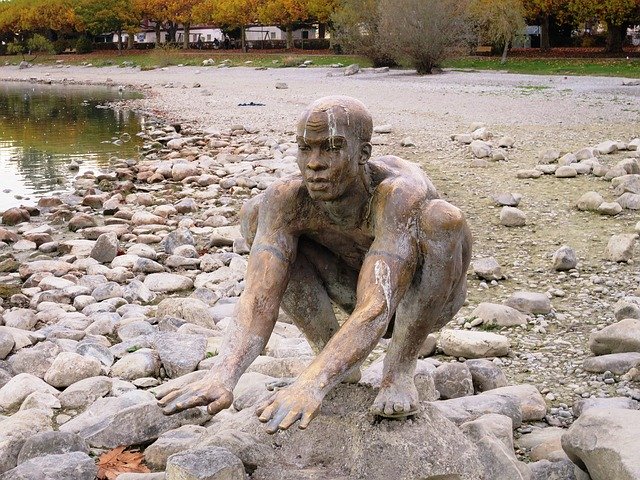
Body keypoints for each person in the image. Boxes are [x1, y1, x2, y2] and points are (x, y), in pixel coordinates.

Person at [157, 95, 472, 434]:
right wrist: (223, 374)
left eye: (331, 148)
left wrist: (311, 384)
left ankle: (399, 369)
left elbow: (377, 303)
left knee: (443, 219)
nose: (314, 164)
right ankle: (331, 354)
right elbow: (260, 295)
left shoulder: (396, 194)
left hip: (419, 298)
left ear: (362, 155)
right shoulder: (289, 198)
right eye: (305, 149)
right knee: (255, 213)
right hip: (350, 287)